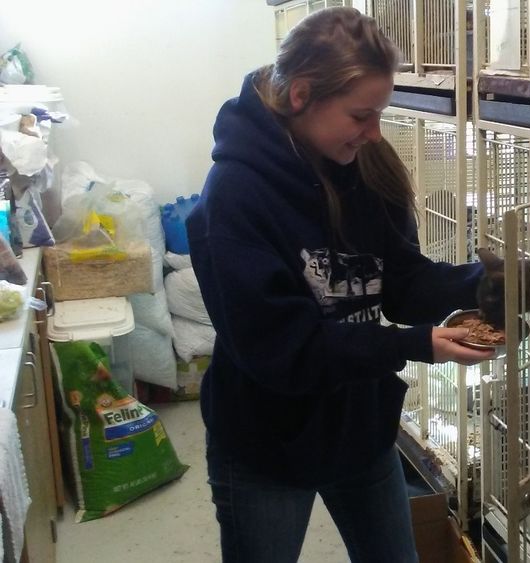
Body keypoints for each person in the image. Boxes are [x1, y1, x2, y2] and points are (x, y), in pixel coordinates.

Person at [186, 7, 494, 562]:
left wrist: (482, 283)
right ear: (301, 96)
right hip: (266, 443)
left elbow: (399, 283)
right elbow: (286, 350)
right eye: (361, 115)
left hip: (359, 426)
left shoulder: (364, 166)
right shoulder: (233, 196)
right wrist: (418, 344)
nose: (375, 132)